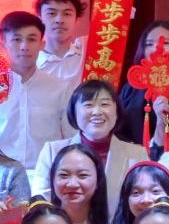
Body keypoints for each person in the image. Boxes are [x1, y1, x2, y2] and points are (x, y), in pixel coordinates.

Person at [31, 80, 144, 205]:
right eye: (88, 105)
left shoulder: (137, 154)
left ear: (117, 112)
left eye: (105, 104)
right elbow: (40, 201)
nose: (97, 112)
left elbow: (145, 202)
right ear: (74, 111)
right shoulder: (52, 151)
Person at [0, 11, 71, 186]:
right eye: (17, 39)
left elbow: (72, 138)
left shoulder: (60, 88)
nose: (24, 46)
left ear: (42, 44)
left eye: (32, 39)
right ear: (3, 43)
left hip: (46, 178)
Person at [115, 22, 169, 152]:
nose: (157, 48)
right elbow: (118, 132)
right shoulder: (129, 90)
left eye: (165, 43)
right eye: (149, 44)